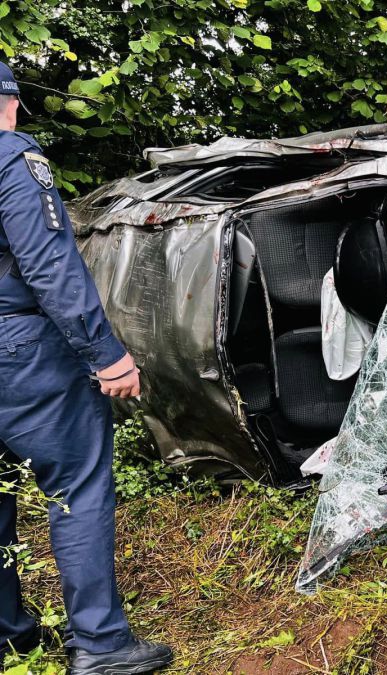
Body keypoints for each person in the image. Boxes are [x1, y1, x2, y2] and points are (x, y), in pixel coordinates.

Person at [0, 62, 173, 674]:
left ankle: (9, 637)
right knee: (77, 484)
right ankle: (100, 645)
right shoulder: (11, 158)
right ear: (11, 101)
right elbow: (49, 266)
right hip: (21, 352)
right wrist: (105, 354)